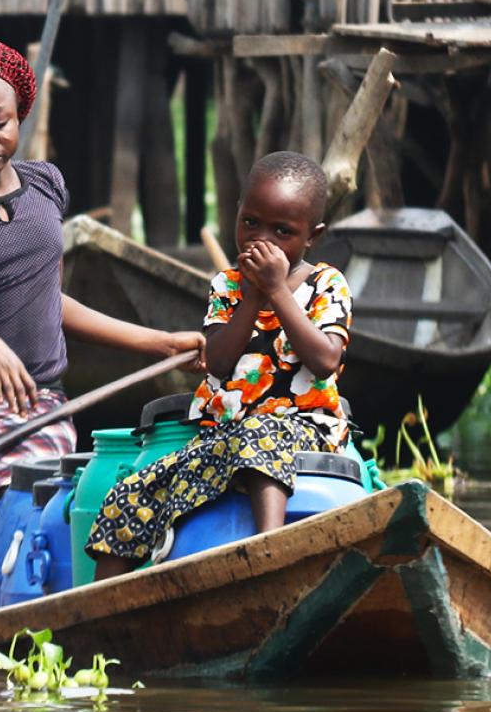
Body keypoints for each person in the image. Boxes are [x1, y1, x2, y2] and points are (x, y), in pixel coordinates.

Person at [0, 32, 204, 561]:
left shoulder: (47, 185)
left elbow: (49, 301)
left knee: (31, 490)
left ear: (19, 115)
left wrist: (162, 343)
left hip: (38, 405)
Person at [87, 150, 353, 580]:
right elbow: (221, 363)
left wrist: (278, 292)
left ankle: (266, 555)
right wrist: (253, 296)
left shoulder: (326, 283)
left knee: (259, 435)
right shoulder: (227, 286)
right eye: (251, 223)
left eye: (282, 231)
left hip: (303, 429)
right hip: (223, 436)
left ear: (312, 236)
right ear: (237, 214)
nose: (260, 240)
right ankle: (102, 612)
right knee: (129, 494)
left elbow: (325, 361)